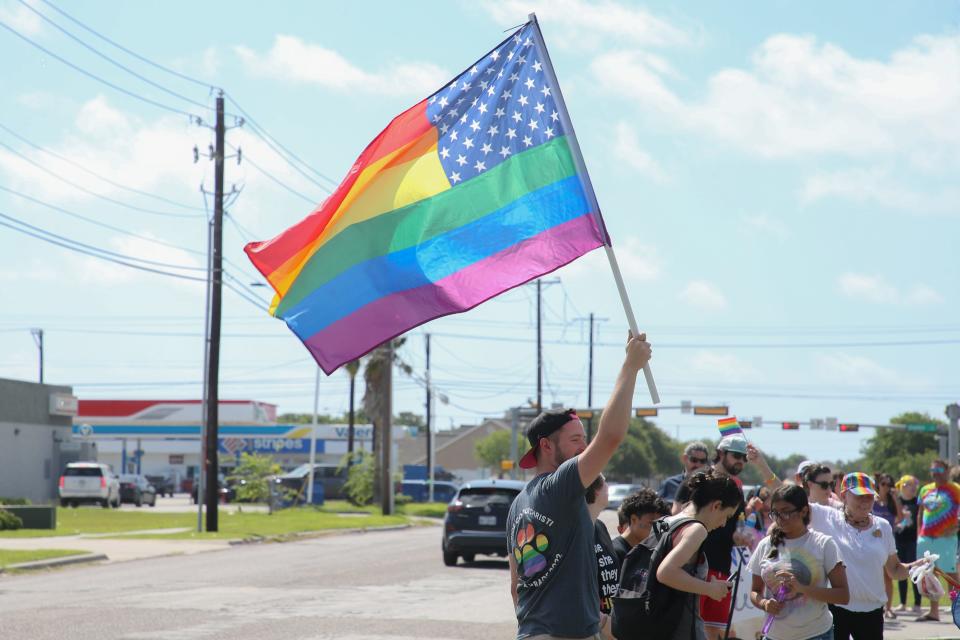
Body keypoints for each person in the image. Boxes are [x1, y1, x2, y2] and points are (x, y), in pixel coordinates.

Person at [507, 334, 651, 640]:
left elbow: (516, 586)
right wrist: (630, 367)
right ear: (546, 446)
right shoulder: (557, 486)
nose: (585, 448)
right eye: (576, 440)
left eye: (585, 439)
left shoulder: (519, 503)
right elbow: (610, 437)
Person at [672, 435, 775, 640]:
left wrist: (738, 537)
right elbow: (675, 516)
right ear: (720, 454)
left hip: (722, 568)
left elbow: (731, 527)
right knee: (692, 629)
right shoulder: (699, 479)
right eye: (736, 456)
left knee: (717, 631)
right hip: (695, 566)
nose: (741, 461)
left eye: (744, 458)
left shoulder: (736, 486)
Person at [806, 472, 921, 639]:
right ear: (844, 495)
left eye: (869, 496)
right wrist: (761, 464)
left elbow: (894, 569)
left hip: (872, 611)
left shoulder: (883, 526)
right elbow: (790, 500)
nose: (865, 501)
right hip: (836, 609)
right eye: (859, 496)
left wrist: (916, 568)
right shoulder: (828, 517)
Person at [748, 484, 849, 640]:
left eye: (787, 512)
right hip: (774, 635)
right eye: (775, 513)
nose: (780, 519)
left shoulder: (824, 544)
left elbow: (843, 595)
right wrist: (765, 604)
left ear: (804, 511)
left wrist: (802, 589)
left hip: (815, 634)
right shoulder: (765, 545)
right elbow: (754, 592)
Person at [656, 468, 742, 640]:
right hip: (678, 630)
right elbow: (665, 572)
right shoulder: (696, 530)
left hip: (655, 625)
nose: (724, 523)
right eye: (727, 516)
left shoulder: (665, 521)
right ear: (716, 505)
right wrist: (710, 589)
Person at [915, 459, 960, 622]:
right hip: (926, 538)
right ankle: (934, 612)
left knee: (951, 575)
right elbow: (920, 513)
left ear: (947, 471)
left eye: (939, 470)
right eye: (933, 470)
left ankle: (958, 610)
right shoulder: (925, 490)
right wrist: (919, 534)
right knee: (930, 575)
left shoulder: (956, 489)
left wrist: (956, 527)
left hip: (947, 539)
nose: (936, 474)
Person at [585, 474, 618, 639]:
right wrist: (604, 623)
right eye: (605, 483)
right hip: (592, 627)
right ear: (596, 491)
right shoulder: (575, 532)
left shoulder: (600, 527)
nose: (608, 486)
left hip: (611, 623)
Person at [871, 473, 902, 619]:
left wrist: (895, 497)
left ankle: (888, 608)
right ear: (878, 485)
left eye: (889, 485)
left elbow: (900, 517)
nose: (886, 488)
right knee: (874, 575)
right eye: (883, 484)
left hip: (888, 543)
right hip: (873, 542)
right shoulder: (873, 501)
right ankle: (877, 607)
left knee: (888, 576)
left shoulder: (891, 501)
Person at [612, 487, 668, 565]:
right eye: (652, 523)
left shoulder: (648, 551)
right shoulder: (614, 553)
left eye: (660, 524)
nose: (657, 530)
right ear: (634, 519)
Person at [893, 475, 921, 614]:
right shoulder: (897, 501)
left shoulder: (917, 502)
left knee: (915, 571)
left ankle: (917, 603)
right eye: (910, 484)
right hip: (899, 540)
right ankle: (903, 603)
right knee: (901, 571)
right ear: (903, 486)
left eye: (915, 484)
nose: (914, 487)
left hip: (913, 541)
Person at [659, 442, 709, 511]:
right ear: (684, 458)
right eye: (694, 460)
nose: (698, 465)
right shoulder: (668, 484)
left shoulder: (709, 486)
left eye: (702, 461)